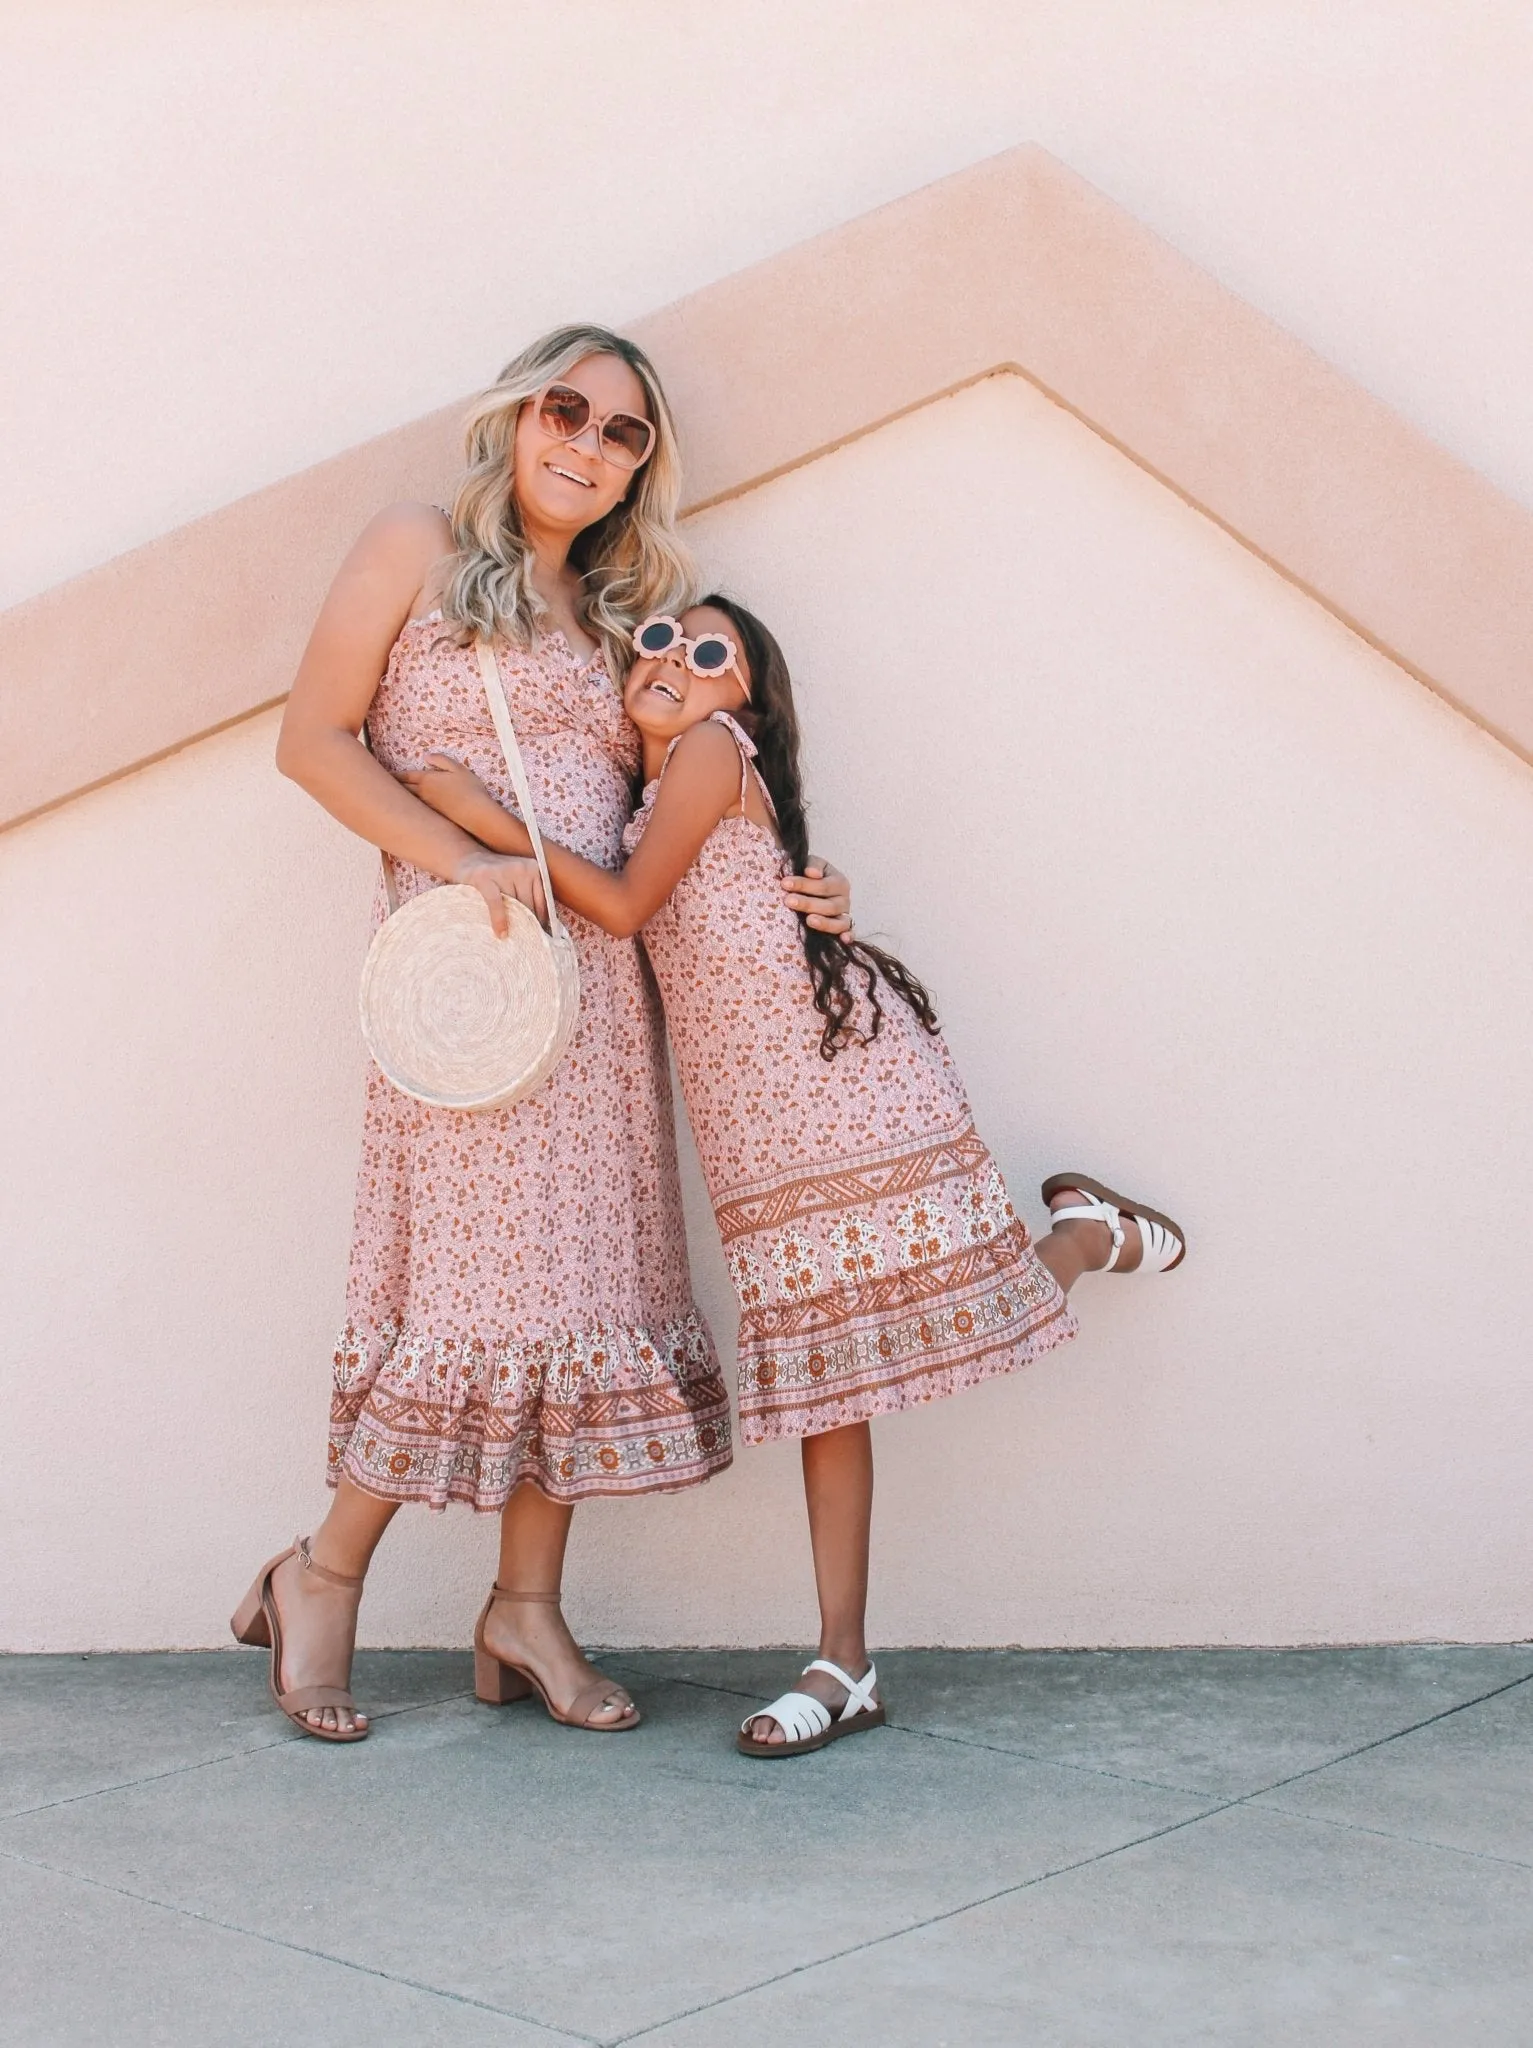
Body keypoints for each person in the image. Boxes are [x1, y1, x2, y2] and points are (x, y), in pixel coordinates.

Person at [406, 595, 1188, 1757]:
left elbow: (619, 906)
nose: (674, 657)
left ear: (747, 698)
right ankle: (849, 1663)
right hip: (755, 1123)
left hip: (839, 1080)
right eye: (661, 638)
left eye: (709, 652)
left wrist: (478, 814)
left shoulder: (715, 754)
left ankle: (1086, 1236)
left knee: (944, 1321)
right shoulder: (655, 786)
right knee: (834, 1384)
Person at [232, 334, 853, 1742]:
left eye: (623, 431)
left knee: (572, 1299)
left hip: (597, 1009)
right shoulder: (415, 547)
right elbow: (315, 742)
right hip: (469, 992)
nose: (586, 441)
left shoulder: (626, 616)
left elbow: (683, 807)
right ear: (517, 416)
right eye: (564, 408)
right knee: (471, 1298)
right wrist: (457, 861)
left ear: (643, 467)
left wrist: (799, 882)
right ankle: (321, 1572)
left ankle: (524, 1607)